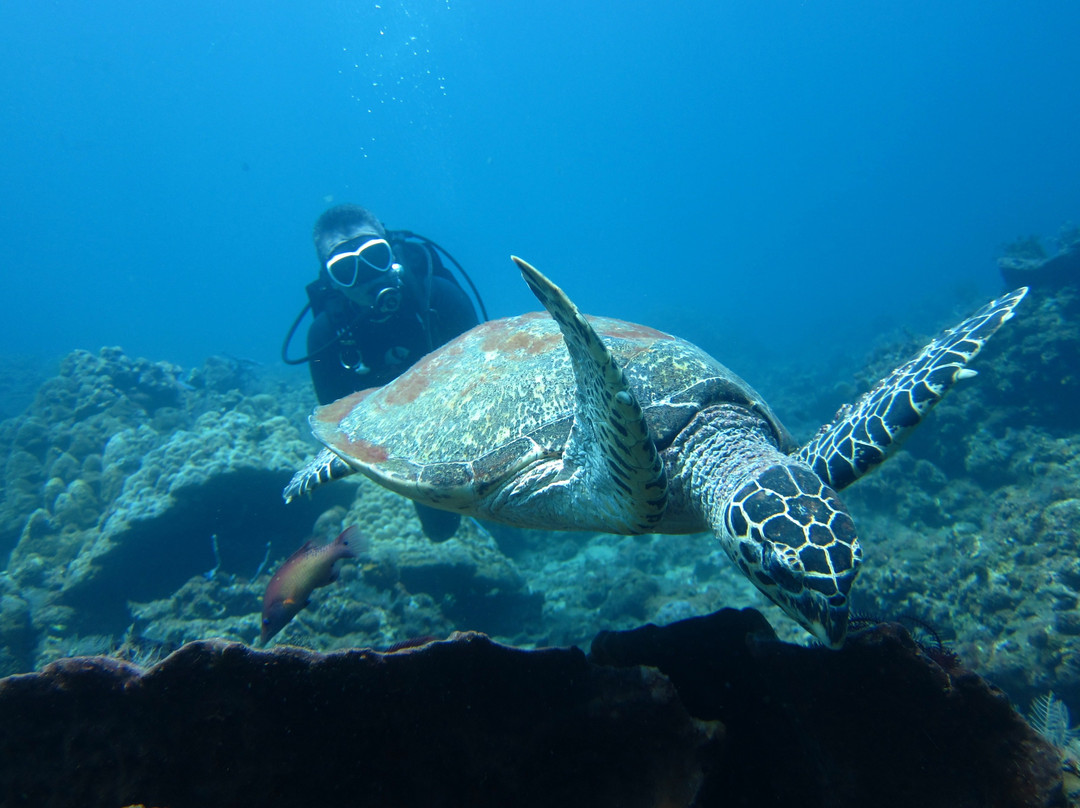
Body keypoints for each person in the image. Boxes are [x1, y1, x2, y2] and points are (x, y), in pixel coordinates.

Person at [283, 203, 486, 541]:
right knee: (440, 531)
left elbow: (487, 374)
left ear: (391, 251)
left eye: (374, 256)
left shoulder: (440, 297)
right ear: (331, 281)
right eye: (346, 269)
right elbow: (338, 425)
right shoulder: (326, 336)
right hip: (400, 444)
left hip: (465, 418)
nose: (367, 276)